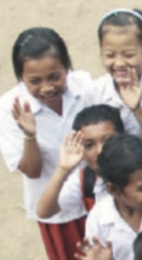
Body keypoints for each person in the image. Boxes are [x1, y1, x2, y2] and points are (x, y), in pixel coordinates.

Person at [0, 27, 91, 260]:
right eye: (34, 81)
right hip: (57, 208)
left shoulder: (84, 85)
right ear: (21, 78)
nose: (47, 87)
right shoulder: (9, 108)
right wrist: (30, 136)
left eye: (55, 76)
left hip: (96, 197)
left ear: (67, 68)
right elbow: (32, 171)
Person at [85, 8, 142, 138]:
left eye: (129, 55)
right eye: (110, 55)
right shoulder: (96, 92)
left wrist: (138, 110)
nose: (119, 63)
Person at [37, 105, 124, 219]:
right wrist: (63, 169)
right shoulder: (85, 180)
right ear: (81, 150)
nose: (100, 151)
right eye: (89, 145)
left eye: (108, 141)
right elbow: (44, 212)